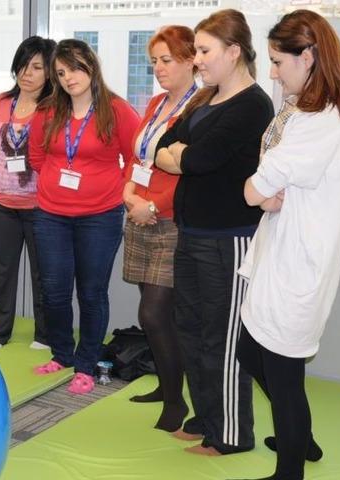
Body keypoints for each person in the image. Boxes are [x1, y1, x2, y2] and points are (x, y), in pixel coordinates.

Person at [237, 10, 340, 480]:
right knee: (252, 350)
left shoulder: (321, 116)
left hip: (299, 259)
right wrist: (263, 193)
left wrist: (259, 192)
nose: (272, 71)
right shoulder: (305, 104)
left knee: (284, 372)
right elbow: (265, 184)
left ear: (307, 57)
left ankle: (292, 465)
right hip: (280, 248)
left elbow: (255, 186)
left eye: (277, 61)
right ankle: (300, 435)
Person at [154, 9, 273, 456]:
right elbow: (163, 148)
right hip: (193, 232)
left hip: (229, 238)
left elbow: (200, 161)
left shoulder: (253, 104)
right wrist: (181, 154)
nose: (198, 59)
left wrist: (183, 155)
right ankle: (204, 417)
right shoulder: (205, 98)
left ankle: (231, 434)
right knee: (191, 327)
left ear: (234, 51)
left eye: (204, 51)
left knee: (222, 337)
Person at [28, 39, 140, 395]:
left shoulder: (117, 110)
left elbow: (134, 159)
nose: (68, 78)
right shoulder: (47, 111)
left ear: (90, 66)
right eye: (60, 73)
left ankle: (87, 363)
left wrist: (117, 190)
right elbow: (36, 156)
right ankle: (62, 354)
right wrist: (55, 184)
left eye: (74, 68)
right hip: (51, 215)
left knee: (92, 293)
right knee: (55, 291)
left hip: (100, 216)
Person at [120, 26, 197, 431]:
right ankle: (167, 388)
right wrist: (130, 195)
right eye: (154, 61)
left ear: (190, 60)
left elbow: (190, 172)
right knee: (154, 315)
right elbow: (139, 159)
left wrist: (151, 204)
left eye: (167, 60)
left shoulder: (199, 105)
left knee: (154, 313)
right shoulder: (154, 103)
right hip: (139, 214)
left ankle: (176, 404)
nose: (159, 68)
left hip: (169, 221)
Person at [0, 36, 55, 351]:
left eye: (37, 67)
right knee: (1, 270)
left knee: (44, 272)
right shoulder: (0, 101)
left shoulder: (54, 108)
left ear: (50, 72)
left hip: (41, 205)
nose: (28, 73)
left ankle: (45, 334)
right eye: (24, 65)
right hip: (0, 201)